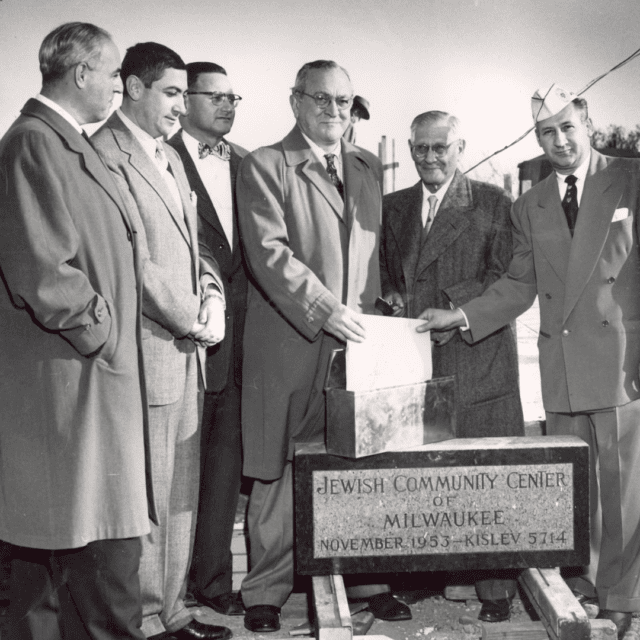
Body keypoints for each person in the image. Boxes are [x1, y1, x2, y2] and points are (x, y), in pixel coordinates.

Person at [416, 85, 640, 640]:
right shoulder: (530, 202)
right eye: (547, 132)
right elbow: (520, 283)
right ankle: (582, 582)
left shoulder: (631, 177)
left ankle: (620, 596)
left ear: (586, 120)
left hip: (620, 361)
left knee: (624, 490)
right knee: (577, 487)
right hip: (560, 359)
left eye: (567, 127)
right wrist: (461, 316)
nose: (559, 141)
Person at [237, 59, 411, 634]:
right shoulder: (264, 165)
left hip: (356, 346)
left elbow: (373, 257)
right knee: (279, 467)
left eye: (343, 102)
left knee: (358, 460)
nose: (333, 111)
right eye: (321, 99)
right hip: (291, 342)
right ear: (295, 101)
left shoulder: (364, 167)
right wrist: (325, 309)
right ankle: (265, 589)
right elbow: (268, 253)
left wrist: (382, 311)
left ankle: (367, 581)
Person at [0, 22, 151, 639]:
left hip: (89, 378)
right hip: (71, 378)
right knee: (69, 558)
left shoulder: (67, 142)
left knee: (90, 549)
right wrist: (103, 331)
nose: (119, 85)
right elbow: (42, 269)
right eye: (114, 73)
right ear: (81, 72)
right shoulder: (34, 143)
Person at [92, 42, 229, 640]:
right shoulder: (104, 154)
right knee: (146, 496)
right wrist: (189, 318)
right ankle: (146, 620)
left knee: (180, 492)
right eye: (173, 92)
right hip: (145, 355)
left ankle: (173, 611)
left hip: (186, 354)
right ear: (134, 87)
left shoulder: (170, 158)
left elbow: (197, 247)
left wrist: (214, 297)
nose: (182, 105)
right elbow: (131, 260)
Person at [380, 110, 524, 623]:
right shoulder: (393, 206)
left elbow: (507, 277)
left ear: (460, 148)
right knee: (418, 476)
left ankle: (495, 589)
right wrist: (394, 299)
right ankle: (418, 579)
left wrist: (454, 308)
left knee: (485, 475)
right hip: (413, 362)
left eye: (440, 147)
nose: (429, 157)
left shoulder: (493, 202)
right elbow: (385, 275)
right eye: (420, 148)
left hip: (475, 356)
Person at [168, 62, 249, 617]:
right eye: (214, 96)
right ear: (186, 99)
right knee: (175, 476)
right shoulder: (157, 156)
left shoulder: (246, 164)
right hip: (183, 340)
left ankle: (214, 585)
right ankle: (165, 595)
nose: (227, 105)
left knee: (223, 469)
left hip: (244, 344)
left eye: (233, 97)